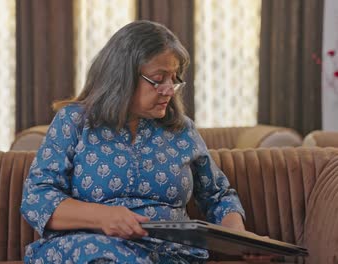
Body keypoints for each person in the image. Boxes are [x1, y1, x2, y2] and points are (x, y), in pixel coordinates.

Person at [21, 20, 247, 264]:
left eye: (174, 78)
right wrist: (102, 217)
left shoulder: (183, 130)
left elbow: (218, 195)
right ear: (121, 77)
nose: (169, 90)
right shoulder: (74, 122)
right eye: (158, 79)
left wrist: (241, 239)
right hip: (88, 248)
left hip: (170, 253)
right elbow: (37, 198)